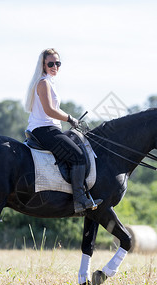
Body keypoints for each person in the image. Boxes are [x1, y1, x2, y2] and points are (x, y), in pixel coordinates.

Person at [25, 48, 102, 213]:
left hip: (50, 128)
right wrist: (70, 119)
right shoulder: (43, 82)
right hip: (43, 130)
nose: (55, 67)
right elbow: (49, 110)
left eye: (57, 63)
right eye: (51, 63)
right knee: (78, 156)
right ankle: (79, 200)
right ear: (43, 65)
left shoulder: (49, 82)